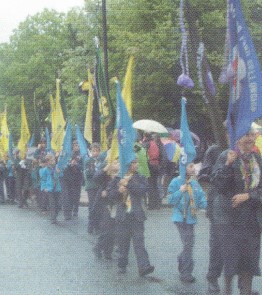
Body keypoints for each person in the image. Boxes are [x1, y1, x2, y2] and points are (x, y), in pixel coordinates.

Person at [211, 129, 262, 295]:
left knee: (249, 261)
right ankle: (227, 291)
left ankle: (245, 292)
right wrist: (227, 164)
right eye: (247, 135)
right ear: (238, 138)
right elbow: (218, 185)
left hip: (252, 219)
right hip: (229, 219)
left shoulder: (257, 159)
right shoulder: (227, 156)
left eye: (252, 135)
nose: (251, 139)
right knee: (231, 262)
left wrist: (248, 196)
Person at [108, 159, 154, 276]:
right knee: (123, 243)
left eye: (137, 162)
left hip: (136, 215)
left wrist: (128, 183)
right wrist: (118, 190)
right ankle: (122, 265)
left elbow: (142, 190)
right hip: (122, 216)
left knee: (139, 242)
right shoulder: (118, 179)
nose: (136, 164)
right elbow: (110, 195)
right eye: (133, 162)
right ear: (127, 164)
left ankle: (144, 266)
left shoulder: (140, 177)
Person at [168, 162, 207, 283]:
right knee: (188, 243)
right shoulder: (176, 182)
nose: (193, 168)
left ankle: (182, 259)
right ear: (183, 167)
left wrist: (209, 207)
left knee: (188, 244)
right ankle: (186, 272)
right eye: (190, 166)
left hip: (191, 218)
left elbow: (201, 198)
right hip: (180, 218)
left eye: (193, 166)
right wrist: (180, 191)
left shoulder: (194, 183)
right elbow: (170, 200)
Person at [198, 143, 224, 293]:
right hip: (217, 204)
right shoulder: (215, 150)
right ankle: (212, 277)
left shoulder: (245, 152)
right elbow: (203, 174)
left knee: (241, 245)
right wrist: (221, 172)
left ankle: (243, 283)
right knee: (217, 244)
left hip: (239, 205)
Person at [92, 160, 119, 260]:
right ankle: (98, 247)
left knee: (114, 231)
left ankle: (108, 252)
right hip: (105, 206)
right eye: (115, 162)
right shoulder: (105, 177)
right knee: (107, 230)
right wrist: (105, 168)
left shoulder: (119, 179)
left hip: (116, 205)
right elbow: (96, 177)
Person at [84, 143, 106, 233]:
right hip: (91, 186)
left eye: (97, 151)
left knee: (99, 206)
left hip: (99, 185)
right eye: (93, 151)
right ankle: (91, 225)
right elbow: (88, 174)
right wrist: (97, 170)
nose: (95, 153)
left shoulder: (102, 161)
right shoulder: (88, 161)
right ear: (91, 151)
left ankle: (98, 226)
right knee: (92, 206)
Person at [61, 140, 83, 220]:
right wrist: (70, 164)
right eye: (74, 145)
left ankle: (76, 209)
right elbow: (65, 164)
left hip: (78, 176)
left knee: (77, 194)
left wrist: (76, 164)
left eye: (77, 145)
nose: (76, 147)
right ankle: (69, 209)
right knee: (70, 194)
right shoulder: (69, 154)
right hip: (70, 177)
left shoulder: (82, 154)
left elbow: (83, 166)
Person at [40, 154, 61, 224]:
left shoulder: (57, 167)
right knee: (52, 203)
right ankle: (53, 218)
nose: (53, 161)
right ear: (48, 162)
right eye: (51, 160)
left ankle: (55, 214)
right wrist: (44, 187)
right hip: (50, 189)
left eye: (54, 160)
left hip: (57, 188)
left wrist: (58, 173)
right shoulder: (45, 170)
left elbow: (60, 176)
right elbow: (43, 179)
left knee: (58, 204)